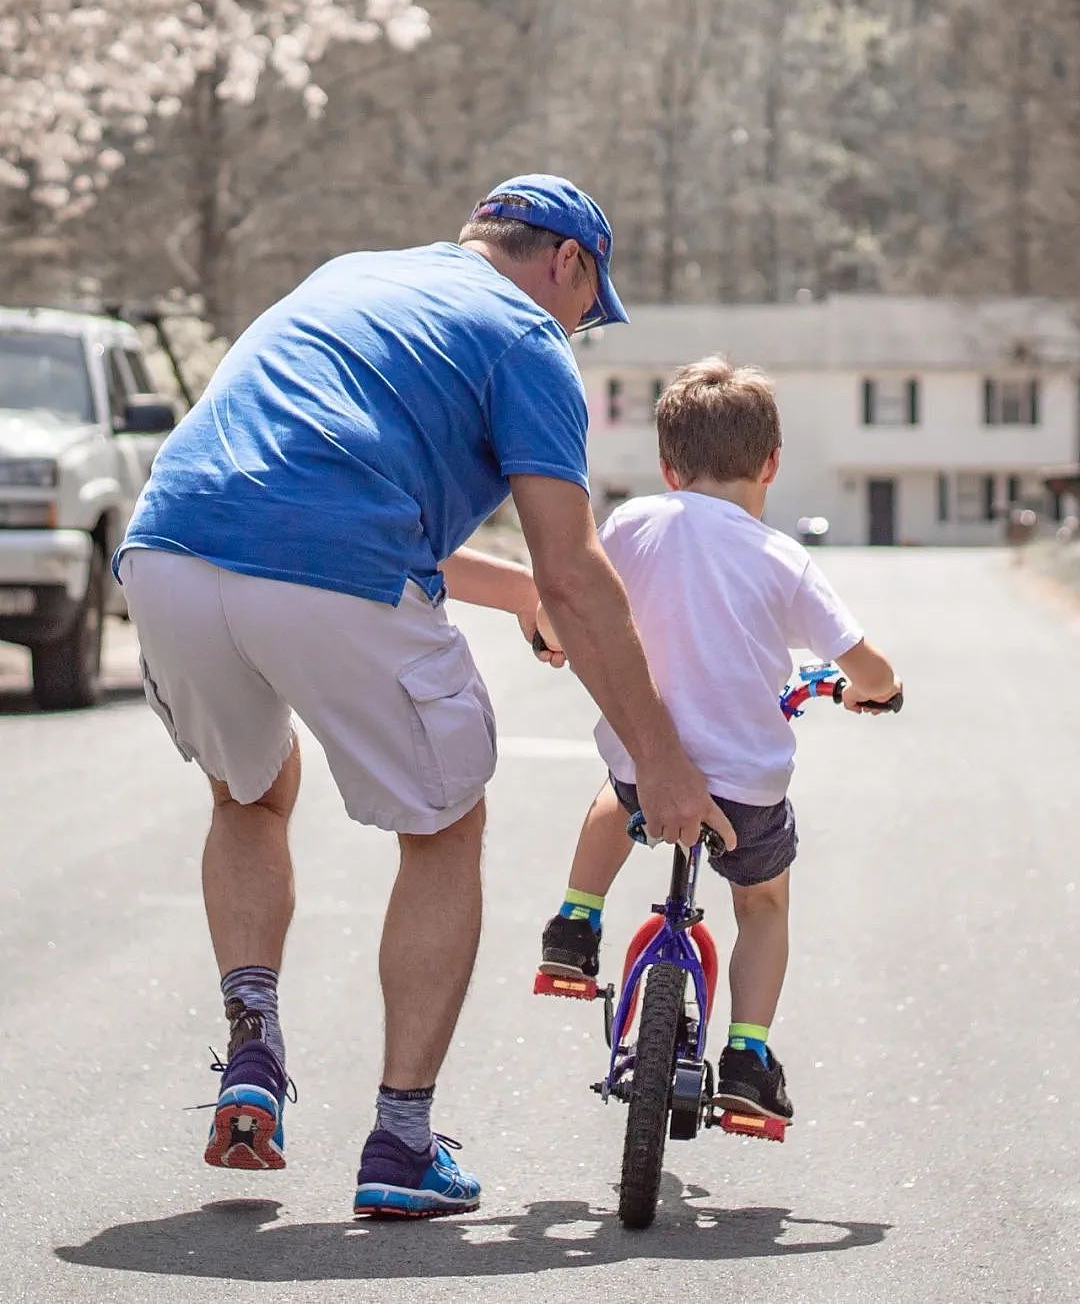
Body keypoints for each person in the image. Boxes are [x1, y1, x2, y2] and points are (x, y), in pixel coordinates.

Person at [116, 174, 735, 1220]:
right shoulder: (526, 338)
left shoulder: (350, 279)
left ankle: (252, 1043)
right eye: (589, 306)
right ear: (567, 262)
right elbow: (577, 570)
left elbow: (299, 485)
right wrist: (661, 761)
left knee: (250, 793)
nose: (580, 328)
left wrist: (512, 596)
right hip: (323, 565)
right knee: (444, 826)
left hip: (169, 551)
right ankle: (401, 1141)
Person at [535, 358, 901, 1124]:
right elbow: (866, 664)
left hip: (647, 763)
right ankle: (746, 1057)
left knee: (617, 782)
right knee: (763, 904)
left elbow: (572, 594)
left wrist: (551, 635)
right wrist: (878, 689)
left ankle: (574, 922)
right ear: (771, 463)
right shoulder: (782, 558)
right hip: (744, 791)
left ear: (669, 467)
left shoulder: (635, 522)